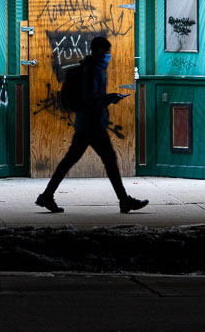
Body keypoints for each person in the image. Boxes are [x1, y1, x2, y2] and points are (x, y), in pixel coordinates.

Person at [36, 36, 148, 214]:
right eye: (107, 52)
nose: (109, 56)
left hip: (85, 123)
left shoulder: (90, 68)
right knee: (109, 160)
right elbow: (91, 99)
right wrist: (111, 98)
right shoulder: (93, 70)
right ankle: (124, 200)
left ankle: (47, 195)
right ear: (100, 51)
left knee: (70, 160)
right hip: (92, 124)